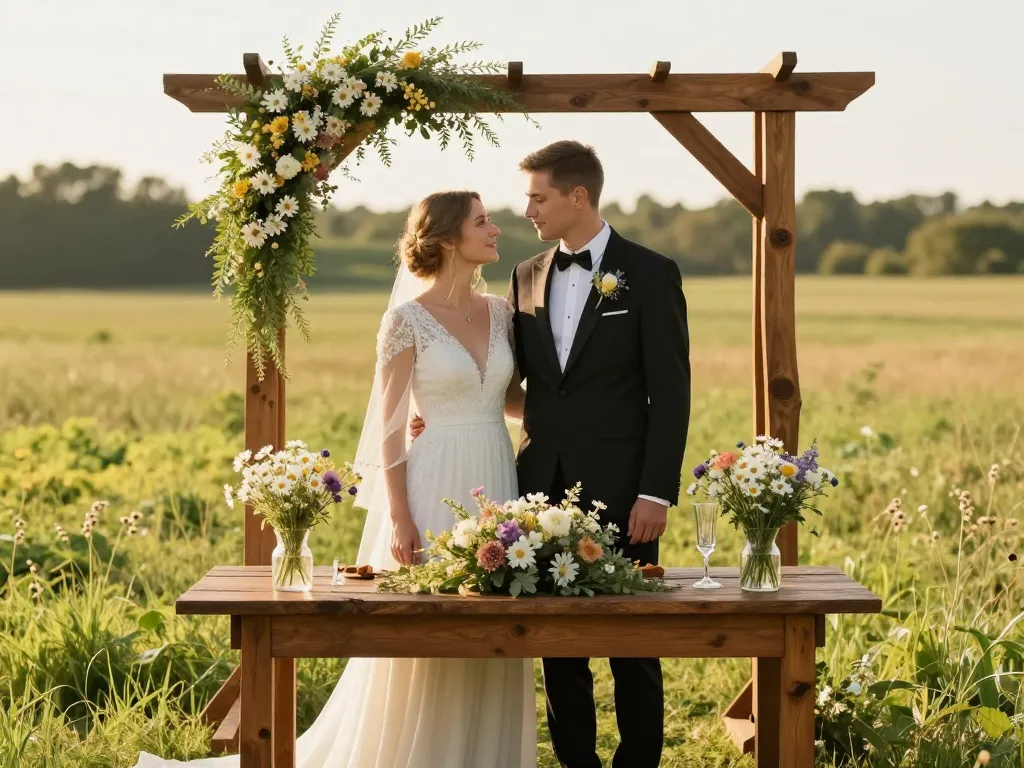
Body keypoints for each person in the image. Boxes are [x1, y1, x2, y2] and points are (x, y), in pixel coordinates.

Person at [132, 190, 535, 767]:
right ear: (448, 238)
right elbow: (392, 429)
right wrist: (400, 515)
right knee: (425, 631)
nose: (496, 229)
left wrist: (581, 408)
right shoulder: (406, 321)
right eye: (482, 221)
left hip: (495, 475)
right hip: (432, 480)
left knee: (496, 618)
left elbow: (508, 398)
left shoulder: (500, 312)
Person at [411, 141, 691, 768]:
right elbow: (525, 386)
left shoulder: (649, 272)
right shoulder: (526, 274)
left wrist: (656, 491)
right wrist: (450, 410)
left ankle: (638, 762)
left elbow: (671, 393)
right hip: (540, 487)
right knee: (559, 646)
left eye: (538, 196)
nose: (528, 209)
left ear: (578, 197)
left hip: (625, 488)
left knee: (633, 643)